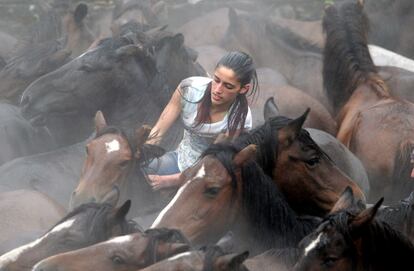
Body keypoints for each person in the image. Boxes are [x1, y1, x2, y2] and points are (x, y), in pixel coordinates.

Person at [145, 51, 258, 190]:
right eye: (216, 80)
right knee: (142, 170)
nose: (217, 90)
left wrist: (169, 181)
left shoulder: (240, 120)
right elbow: (159, 130)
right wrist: (144, 155)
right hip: (180, 159)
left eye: (228, 86)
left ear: (243, 89)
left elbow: (215, 165)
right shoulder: (189, 89)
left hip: (207, 177)